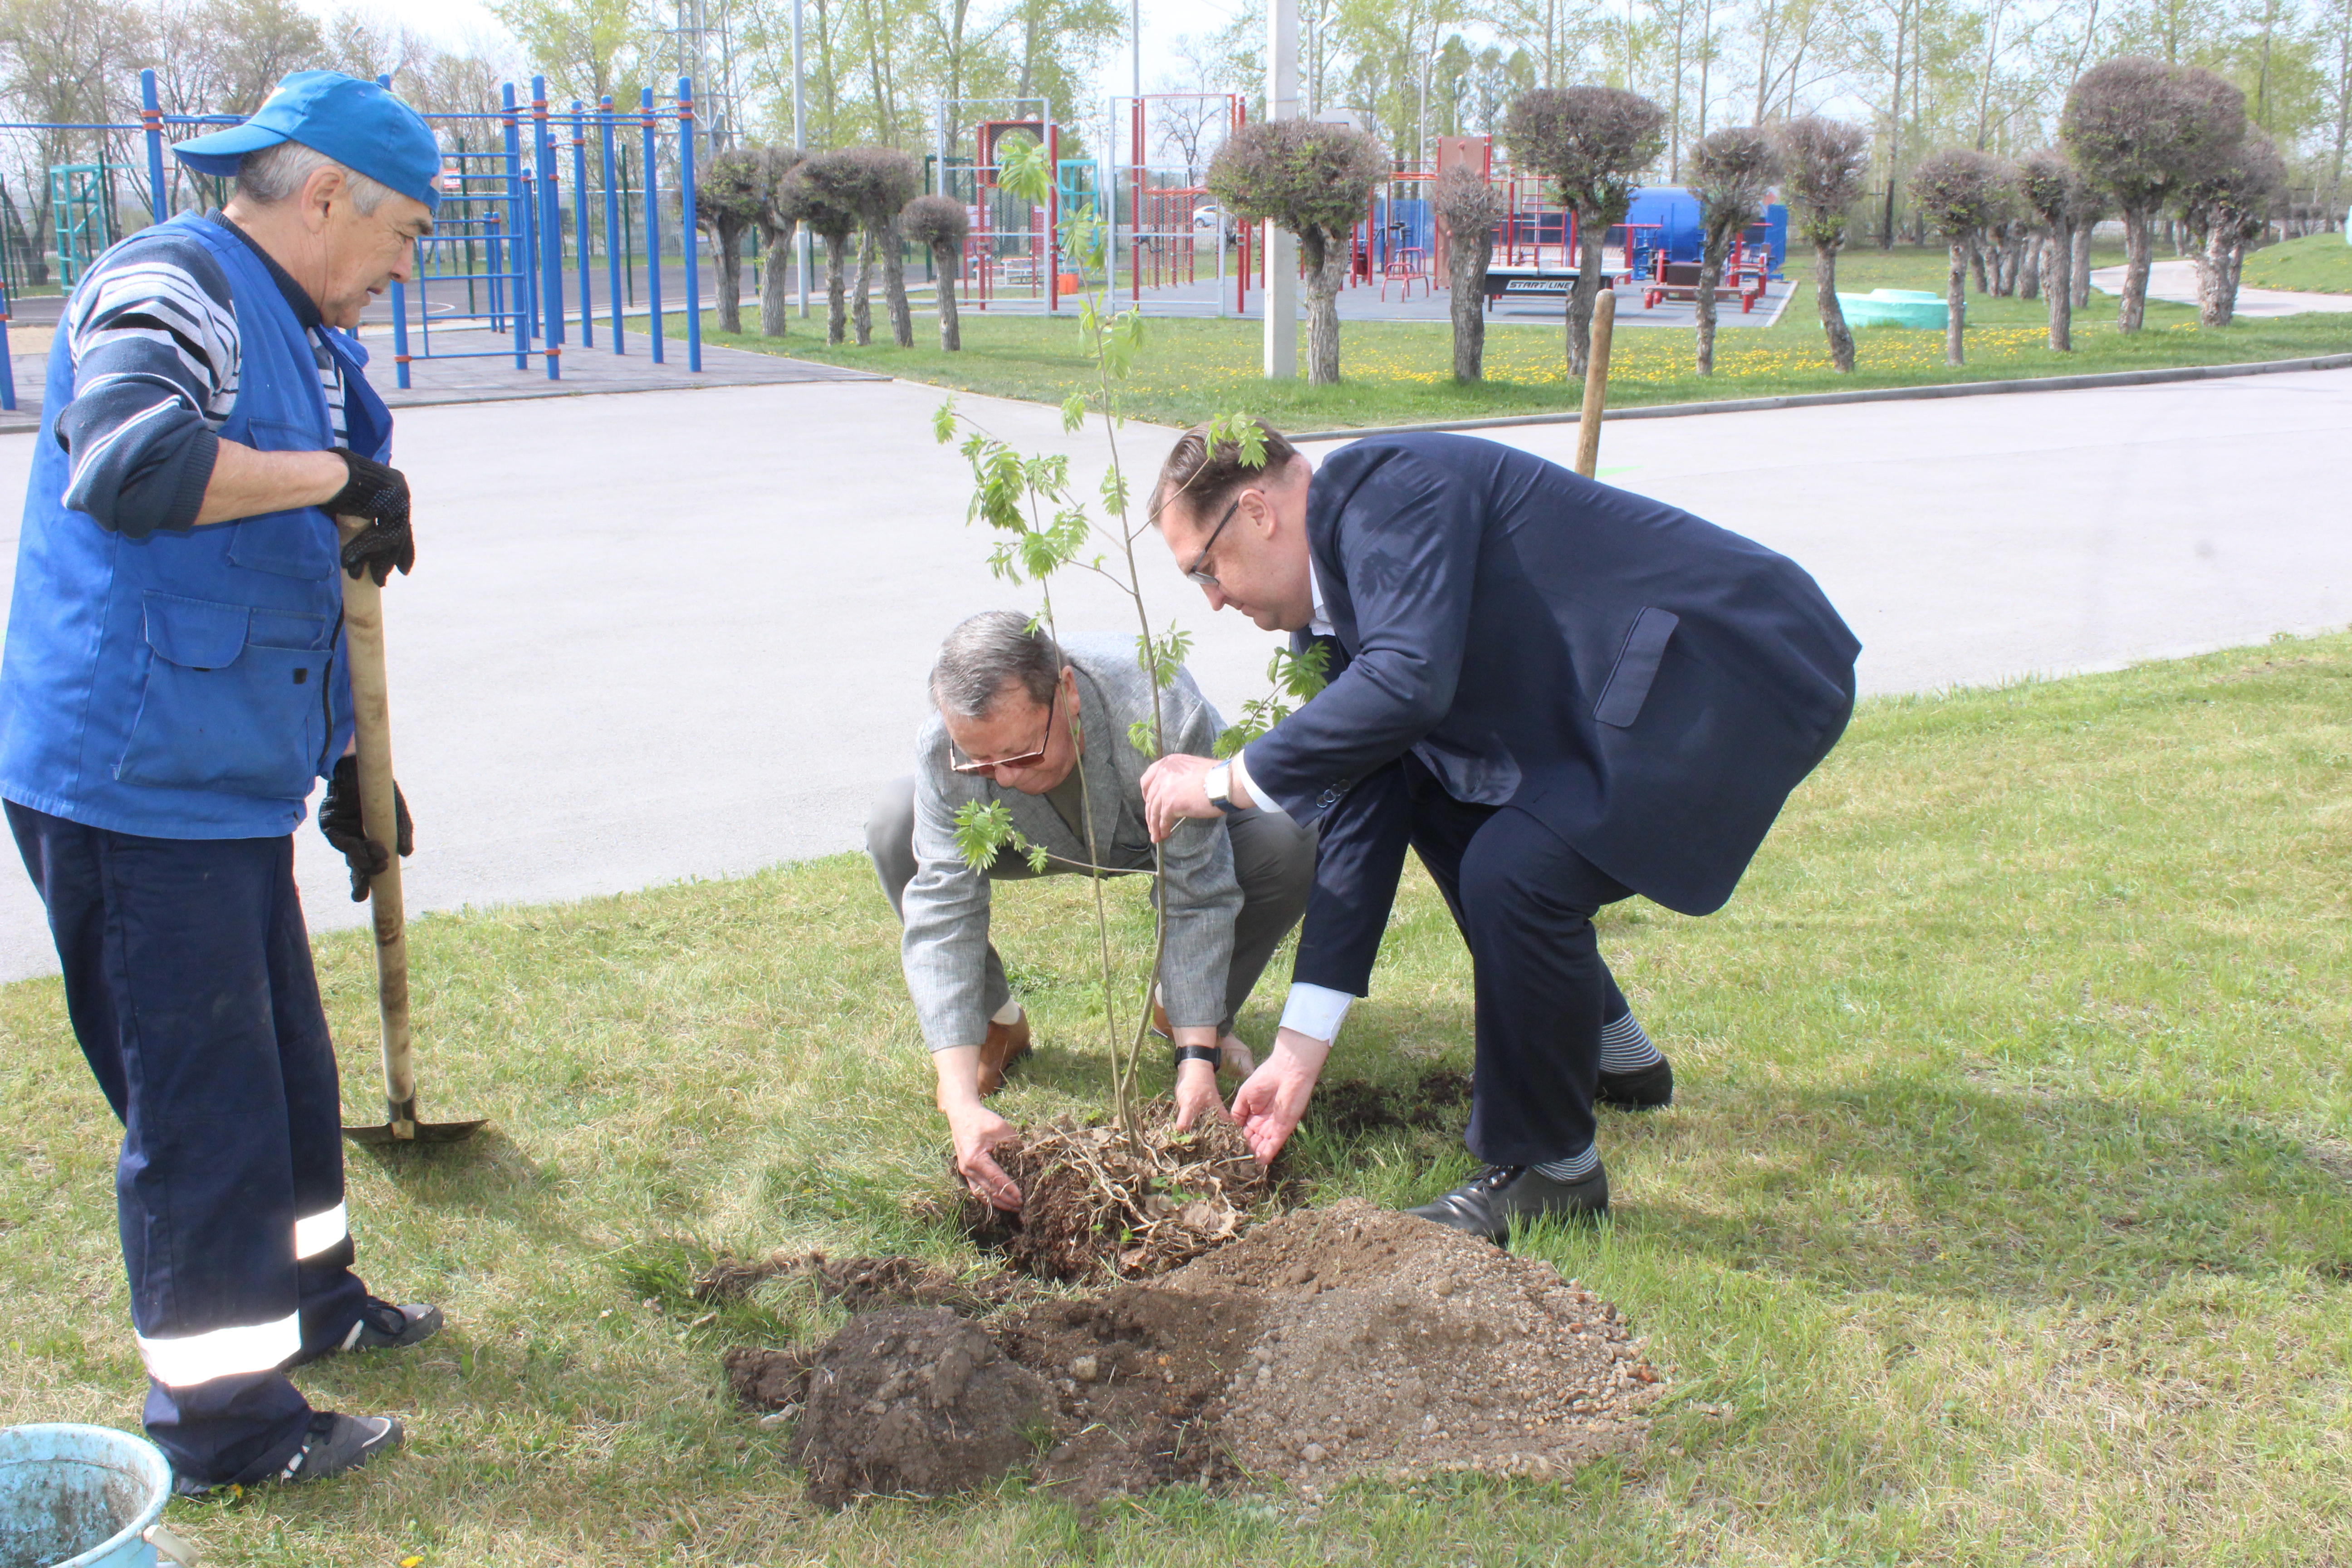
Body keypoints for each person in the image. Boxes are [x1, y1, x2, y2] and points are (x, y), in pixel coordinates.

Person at [0, 73, 448, 1494]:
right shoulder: (171, 282)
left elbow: (290, 587)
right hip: (131, 784)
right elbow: (133, 461)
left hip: (224, 784)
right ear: (325, 196)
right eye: (403, 233)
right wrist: (329, 478)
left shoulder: (309, 338)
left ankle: (316, 1304)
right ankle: (225, 1429)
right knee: (205, 1113)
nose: (405, 264)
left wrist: (348, 776)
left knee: (289, 1081)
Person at [1140, 422, 1859, 1243]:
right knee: (1446, 802)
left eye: (1205, 568)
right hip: (1639, 685)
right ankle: (1608, 1049)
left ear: (1258, 511)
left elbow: (1407, 680)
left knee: (1516, 872)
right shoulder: (1335, 616)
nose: (1214, 599)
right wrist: (1300, 1049)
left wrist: (1225, 783)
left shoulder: (1382, 489)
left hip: (1731, 663)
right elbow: (1365, 811)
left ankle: (1550, 1169)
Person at [868, 611, 1314, 1211]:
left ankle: (1186, 1010)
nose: (1002, 777)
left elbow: (1197, 889)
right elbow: (944, 910)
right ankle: (996, 1021)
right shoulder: (949, 750)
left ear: (1068, 691)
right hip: (1029, 841)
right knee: (897, 826)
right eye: (983, 762)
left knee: (1285, 844)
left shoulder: (1157, 709)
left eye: (1021, 752)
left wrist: (1196, 1060)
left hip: (1160, 826)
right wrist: (960, 1103)